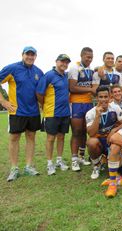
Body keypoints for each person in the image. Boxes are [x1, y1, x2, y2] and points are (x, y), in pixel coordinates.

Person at [0, 46, 44, 181]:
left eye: (33, 55)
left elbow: (41, 91)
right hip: (16, 110)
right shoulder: (12, 68)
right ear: (22, 55)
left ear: (36, 56)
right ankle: (14, 168)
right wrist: (3, 101)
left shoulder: (38, 72)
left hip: (33, 112)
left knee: (31, 137)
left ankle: (29, 166)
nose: (30, 57)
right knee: (14, 138)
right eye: (28, 54)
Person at [36, 54, 71, 175]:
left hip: (65, 113)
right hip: (51, 113)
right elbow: (39, 93)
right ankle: (49, 163)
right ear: (56, 62)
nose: (64, 64)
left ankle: (59, 161)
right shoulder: (49, 75)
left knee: (61, 137)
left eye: (66, 62)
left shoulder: (66, 76)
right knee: (51, 138)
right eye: (62, 62)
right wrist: (44, 105)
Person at [68, 47, 99, 171]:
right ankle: (74, 160)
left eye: (91, 57)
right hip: (76, 103)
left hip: (88, 103)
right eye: (87, 57)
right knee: (76, 131)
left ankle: (81, 156)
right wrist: (90, 89)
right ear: (81, 56)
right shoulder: (74, 68)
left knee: (85, 130)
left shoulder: (91, 70)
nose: (89, 59)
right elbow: (72, 87)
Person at [85, 86, 122, 179]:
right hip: (99, 141)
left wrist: (114, 130)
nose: (103, 99)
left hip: (112, 140)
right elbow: (91, 134)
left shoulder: (115, 108)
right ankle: (96, 165)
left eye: (105, 97)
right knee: (91, 142)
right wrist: (97, 116)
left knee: (120, 167)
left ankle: (108, 160)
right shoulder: (90, 113)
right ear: (96, 98)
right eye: (101, 97)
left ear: (110, 97)